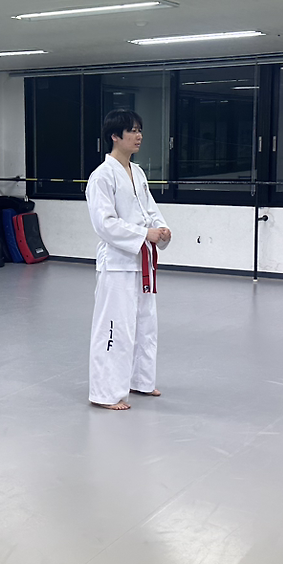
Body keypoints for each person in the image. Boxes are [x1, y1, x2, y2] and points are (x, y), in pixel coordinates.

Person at [86, 110, 172, 411]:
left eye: (139, 130)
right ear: (115, 136)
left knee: (145, 324)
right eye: (132, 130)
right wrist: (144, 233)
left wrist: (161, 229)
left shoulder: (138, 172)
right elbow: (105, 224)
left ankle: (140, 381)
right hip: (117, 263)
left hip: (141, 262)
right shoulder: (101, 176)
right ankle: (105, 393)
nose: (139, 136)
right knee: (114, 328)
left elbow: (150, 209)